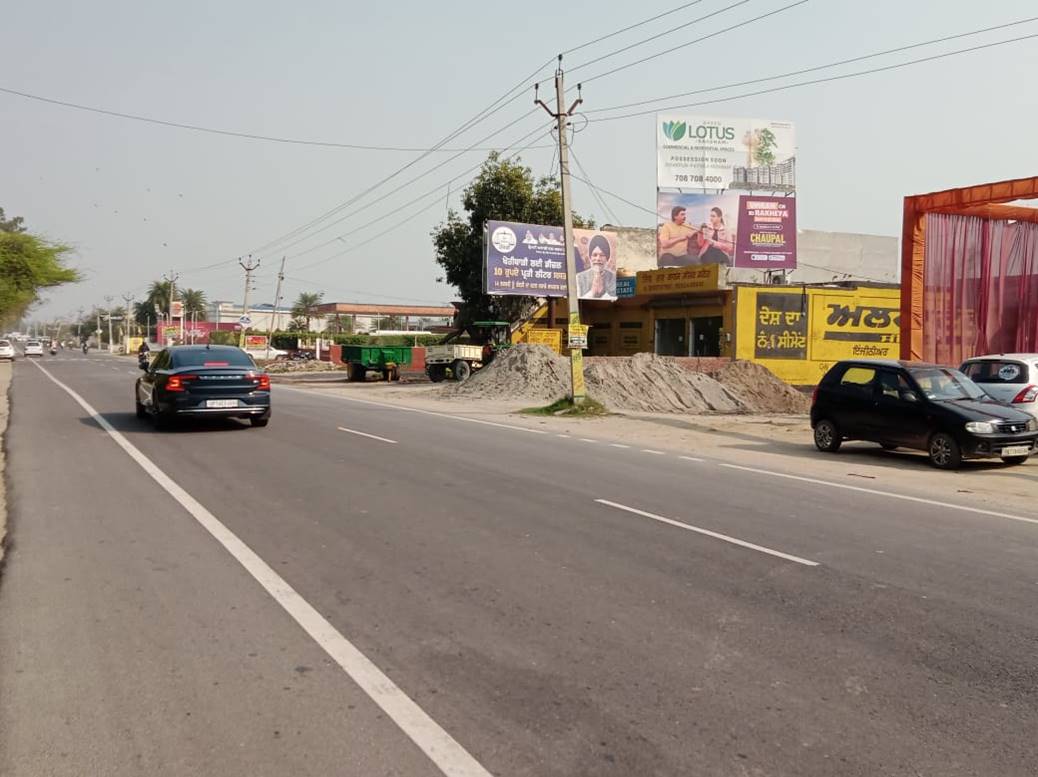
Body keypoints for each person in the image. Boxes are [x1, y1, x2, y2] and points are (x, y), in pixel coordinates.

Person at [576, 235, 617, 299]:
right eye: (594, 255)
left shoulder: (615, 279)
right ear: (590, 257)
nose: (598, 259)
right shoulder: (579, 278)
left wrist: (602, 292)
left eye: (602, 255)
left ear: (607, 258)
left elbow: (617, 302)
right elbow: (576, 302)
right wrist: (593, 292)